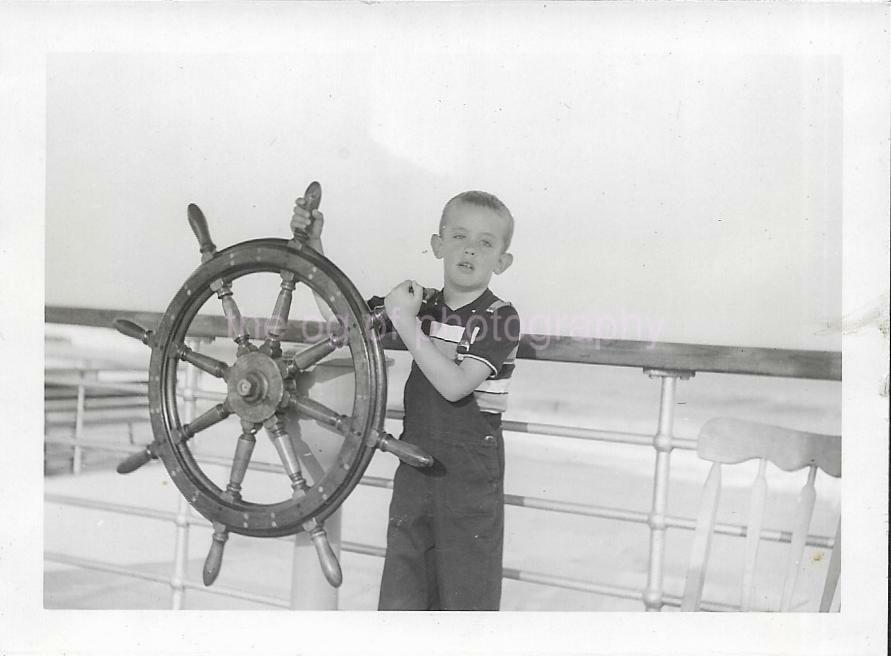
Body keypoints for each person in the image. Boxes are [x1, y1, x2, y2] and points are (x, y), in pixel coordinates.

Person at [291, 190, 520, 610]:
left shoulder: (500, 317)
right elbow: (345, 319)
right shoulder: (424, 305)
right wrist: (313, 248)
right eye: (459, 236)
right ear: (438, 245)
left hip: (468, 480)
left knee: (465, 603)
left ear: (501, 262)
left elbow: (455, 386)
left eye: (486, 243)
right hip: (414, 467)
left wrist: (403, 320)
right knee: (403, 595)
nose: (470, 248)